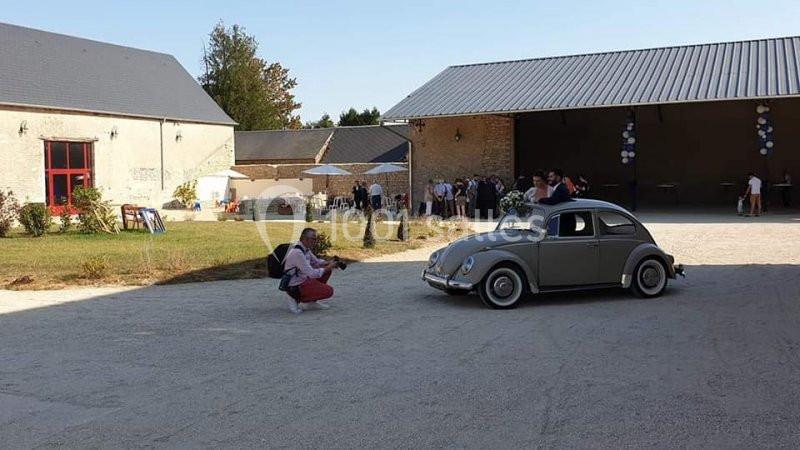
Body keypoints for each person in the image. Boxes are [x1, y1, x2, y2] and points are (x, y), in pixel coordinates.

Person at [283, 228, 339, 314]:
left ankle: (310, 302)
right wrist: (329, 267)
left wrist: (329, 263)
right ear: (305, 238)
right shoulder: (297, 252)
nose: (315, 241)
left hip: (304, 279)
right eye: (314, 238)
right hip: (296, 284)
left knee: (326, 271)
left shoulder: (305, 249)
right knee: (329, 291)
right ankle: (293, 296)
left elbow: (316, 262)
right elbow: (312, 273)